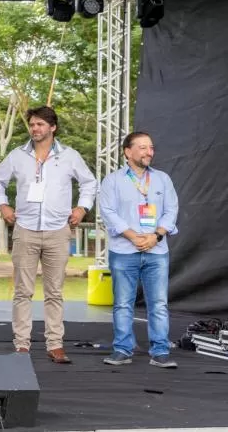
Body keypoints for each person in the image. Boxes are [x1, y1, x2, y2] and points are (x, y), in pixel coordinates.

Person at [0, 106, 97, 364]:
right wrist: (3, 206)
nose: (34, 129)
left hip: (58, 230)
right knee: (22, 291)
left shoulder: (70, 156)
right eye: (32, 124)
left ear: (53, 127)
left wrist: (82, 208)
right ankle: (21, 345)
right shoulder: (17, 155)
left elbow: (90, 182)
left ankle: (55, 344)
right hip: (25, 229)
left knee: (54, 292)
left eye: (40, 124)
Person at [98, 132, 179, 368]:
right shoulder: (112, 180)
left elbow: (171, 210)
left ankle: (160, 351)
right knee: (123, 303)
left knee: (159, 304)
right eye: (143, 147)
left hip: (157, 251)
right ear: (127, 151)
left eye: (151, 147)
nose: (149, 152)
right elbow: (108, 212)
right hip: (124, 251)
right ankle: (122, 350)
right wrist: (134, 236)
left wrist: (156, 236)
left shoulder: (162, 179)